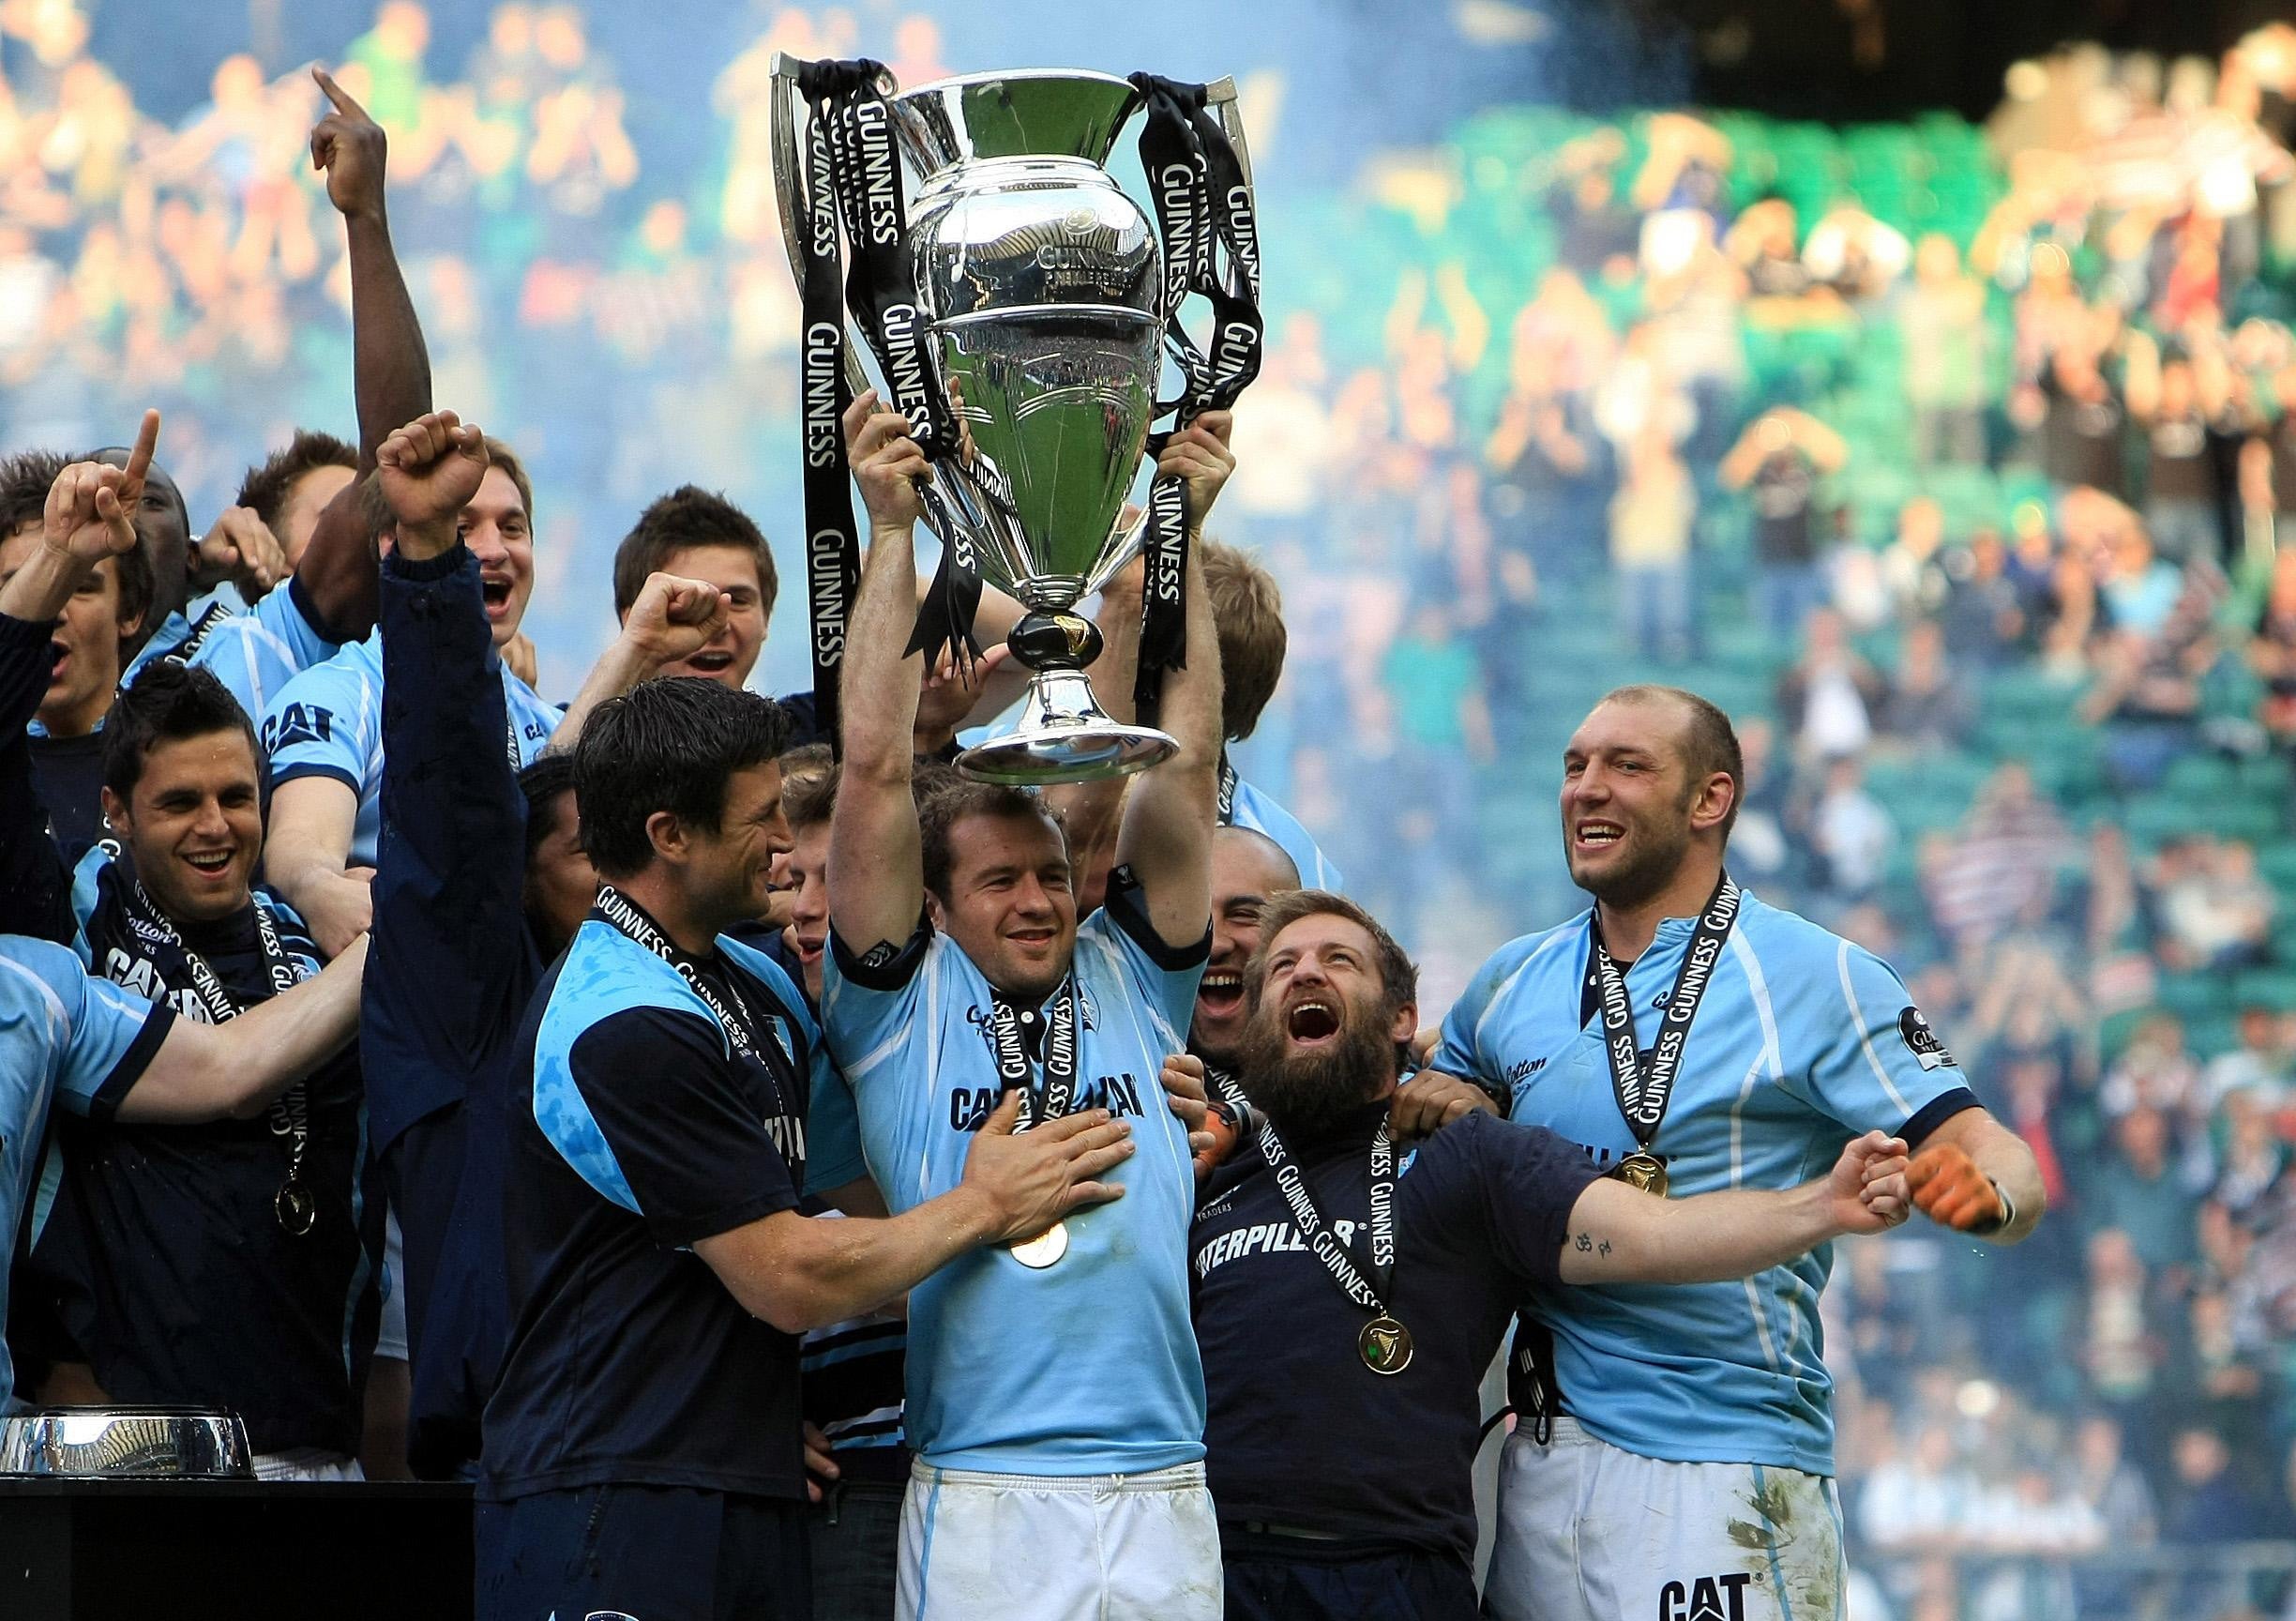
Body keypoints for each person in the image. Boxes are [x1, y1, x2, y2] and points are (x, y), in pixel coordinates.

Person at [478, 674, 1134, 1621]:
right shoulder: (620, 1021)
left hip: (748, 1478)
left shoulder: (758, 982)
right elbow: (788, 1275)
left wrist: (1136, 1133)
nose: (786, 846)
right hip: (610, 1489)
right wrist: (988, 1207)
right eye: (759, 821)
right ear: (671, 835)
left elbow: (865, 1194)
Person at [1418, 684, 2046, 1621]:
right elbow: (1441, 1110)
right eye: (1576, 765)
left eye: (1627, 766)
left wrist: (1989, 1193)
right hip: (1536, 1467)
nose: (1588, 787)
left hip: (1724, 1463)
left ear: (1709, 800)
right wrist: (1445, 1097)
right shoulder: (1510, 983)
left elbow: (1987, 1143)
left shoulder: (1814, 973)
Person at [1185, 888, 1912, 1620]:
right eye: (1281, 967)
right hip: (1211, 1570)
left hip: (1392, 1577)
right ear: (1251, 1024)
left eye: (1338, 960)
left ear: (1403, 1017)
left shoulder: (1468, 1155)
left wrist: (1822, 1205)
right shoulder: (1206, 1169)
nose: (1306, 973)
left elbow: (1651, 1234)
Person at [821, 390, 1225, 1621]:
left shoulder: (1137, 977)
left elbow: (1187, 764)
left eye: (1052, 874)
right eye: (1003, 882)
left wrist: (1184, 535)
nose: (1043, 901)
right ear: (937, 907)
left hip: (1164, 1480)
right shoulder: (900, 1007)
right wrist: (890, 531)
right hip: (988, 1489)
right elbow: (877, 770)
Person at [356, 409, 731, 1477]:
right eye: (586, 852)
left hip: (692, 1456)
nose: (624, 876)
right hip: (521, 1467)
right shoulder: (470, 1006)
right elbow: (455, 801)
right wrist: (428, 562)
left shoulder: (711, 993)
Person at [0, 438, 383, 1478]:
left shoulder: (308, 935)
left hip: (315, 1439)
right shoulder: (71, 935)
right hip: (125, 1452)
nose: (215, 827)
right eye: (179, 803)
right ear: (115, 812)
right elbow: (218, 1073)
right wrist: (53, 566)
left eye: (237, 798)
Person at [260, 426, 557, 958]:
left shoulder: (539, 716)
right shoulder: (339, 693)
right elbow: (301, 850)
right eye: (463, 526)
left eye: (513, 528)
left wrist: (635, 652)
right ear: (392, 546)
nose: (495, 550)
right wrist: (317, 888)